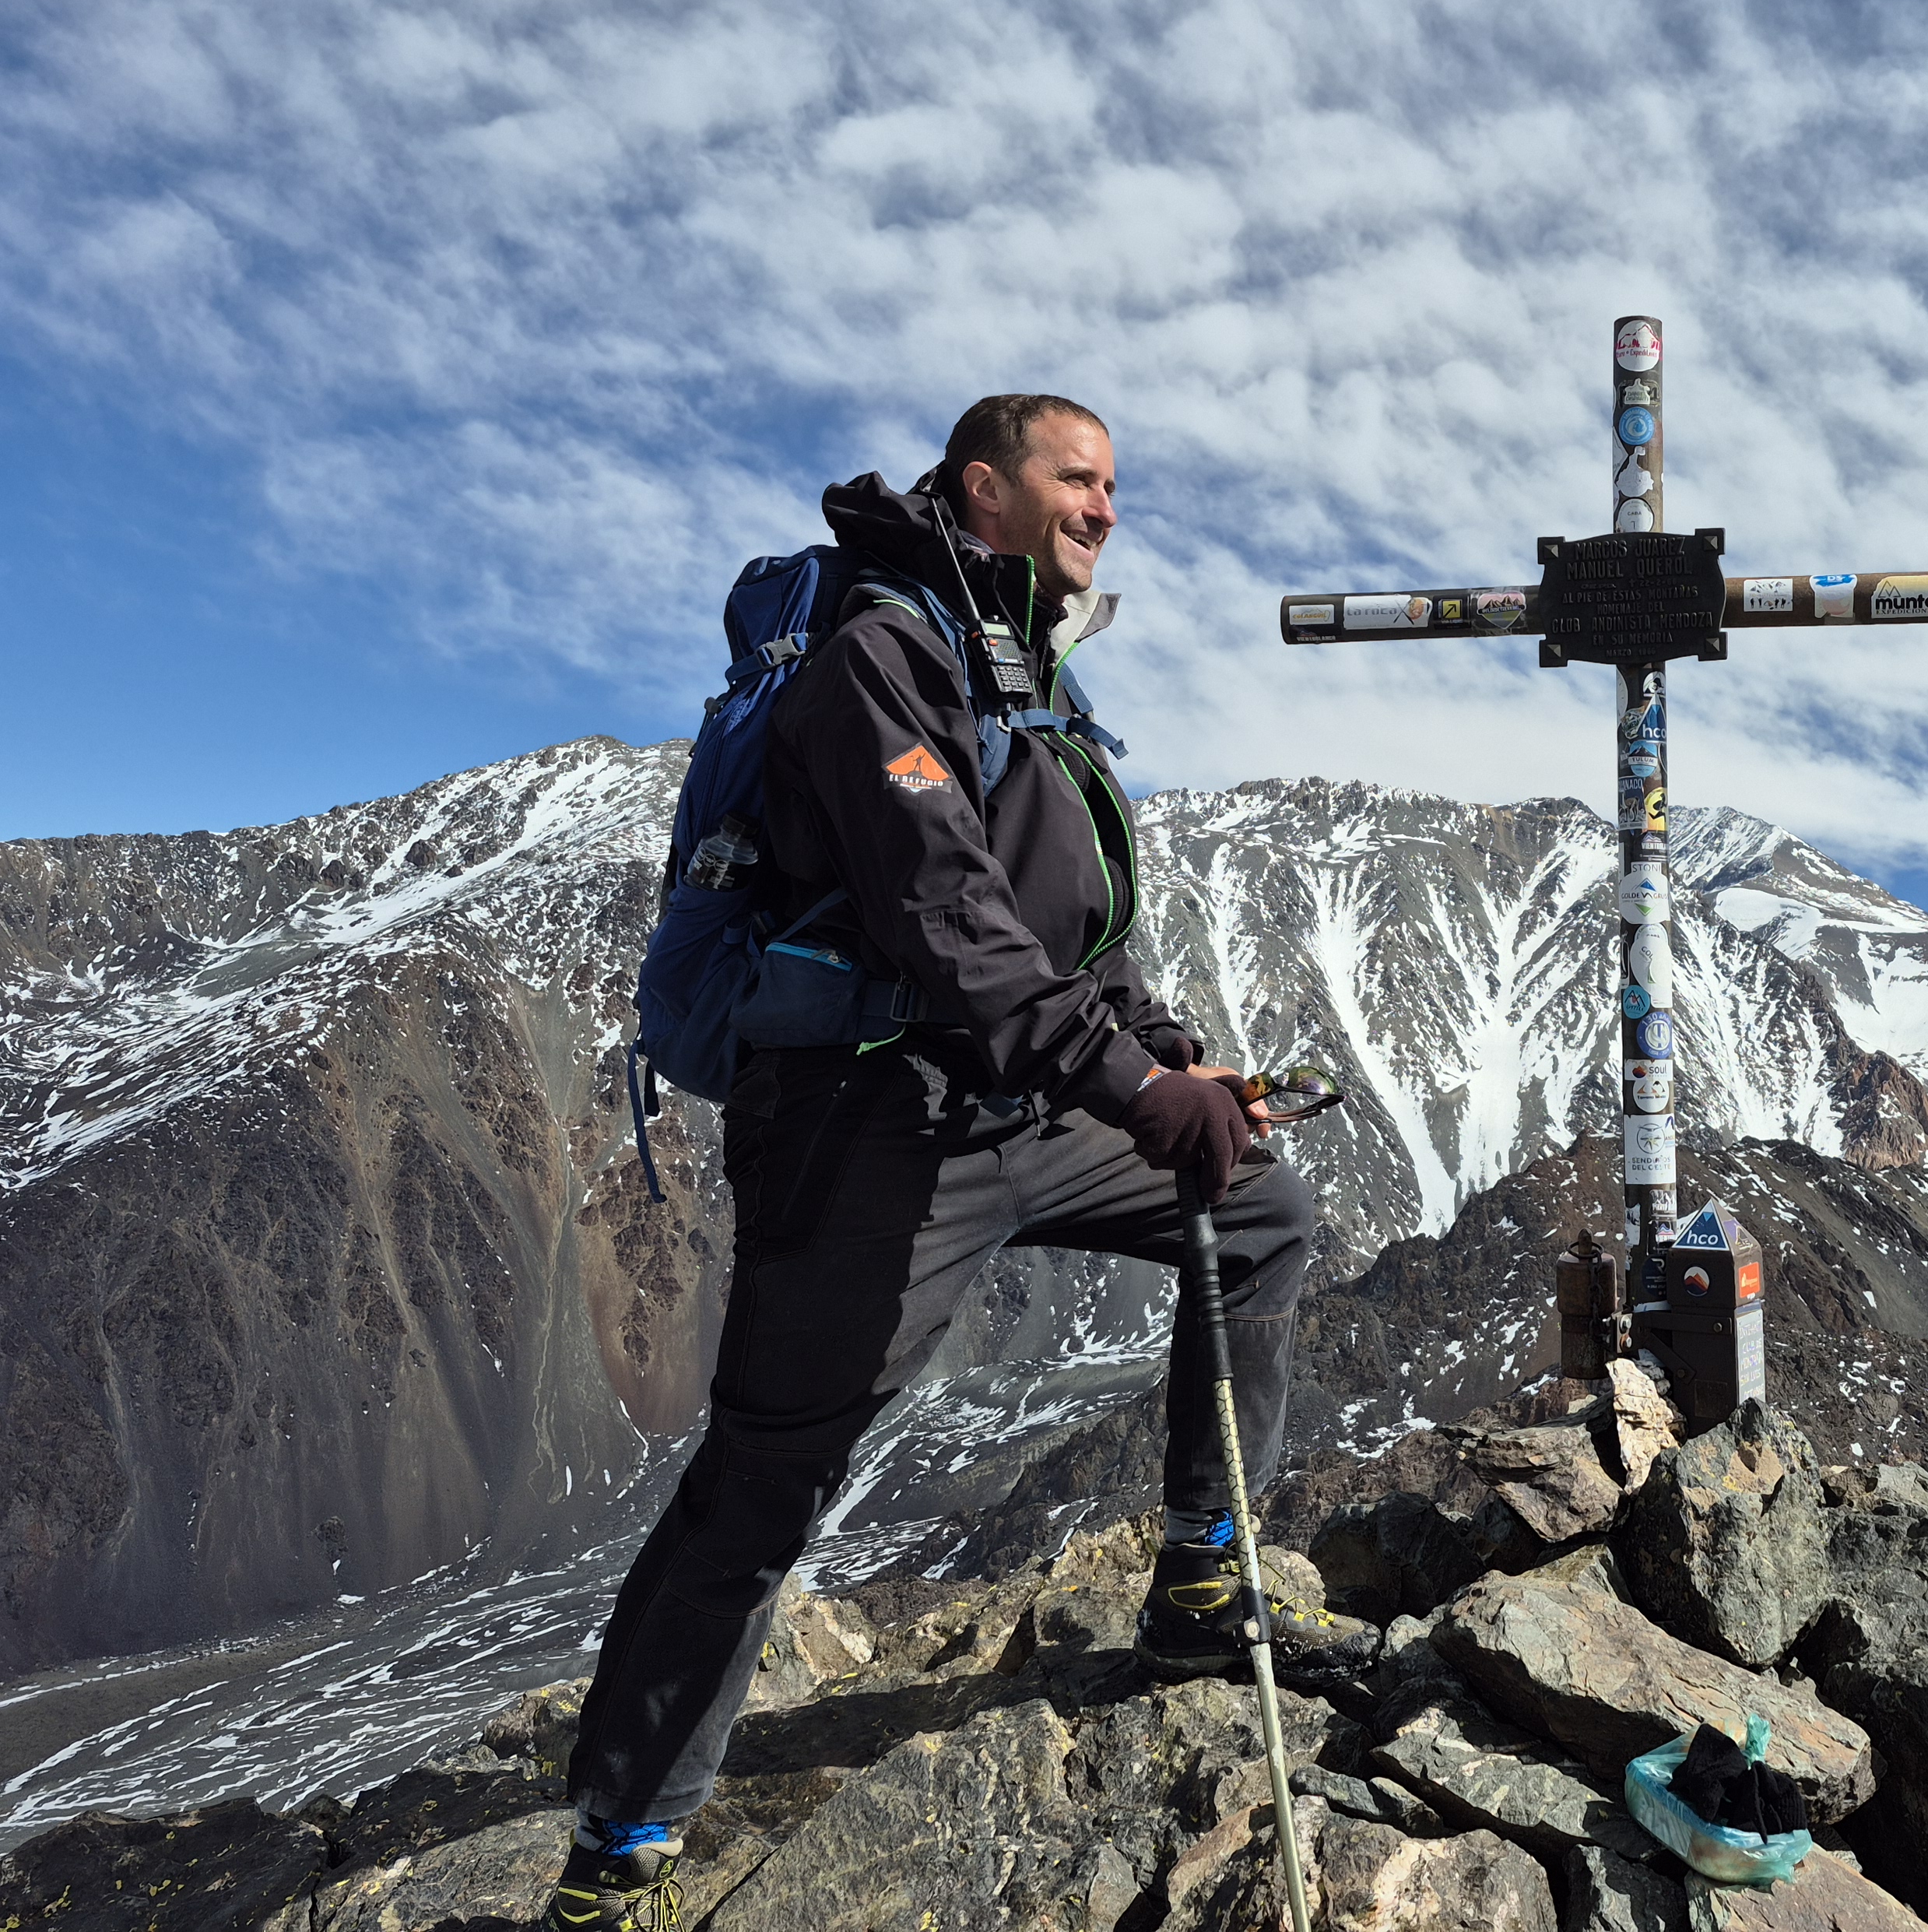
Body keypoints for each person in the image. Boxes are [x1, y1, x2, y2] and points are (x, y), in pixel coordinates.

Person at [541, 395, 1373, 1932]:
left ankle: (1204, 1580)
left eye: (1113, 484)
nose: (1106, 508)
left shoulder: (1020, 664)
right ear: (986, 487)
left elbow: (1066, 925)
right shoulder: (880, 651)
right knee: (768, 1479)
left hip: (1015, 1100)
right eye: (1078, 479)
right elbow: (944, 915)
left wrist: (1168, 1054)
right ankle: (618, 1854)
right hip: (871, 1121)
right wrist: (1131, 1088)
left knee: (1260, 1209)